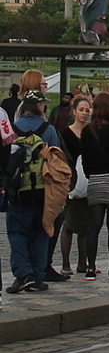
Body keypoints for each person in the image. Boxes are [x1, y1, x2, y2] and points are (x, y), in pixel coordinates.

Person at [5, 90, 62, 294]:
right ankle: (37, 277)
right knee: (41, 231)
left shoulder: (12, 129)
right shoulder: (49, 130)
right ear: (39, 107)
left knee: (17, 232)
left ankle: (23, 274)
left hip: (18, 190)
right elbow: (58, 160)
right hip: (43, 190)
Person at [81, 92, 109, 281]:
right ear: (108, 107)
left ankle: (90, 267)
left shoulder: (86, 131)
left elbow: (84, 161)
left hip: (94, 181)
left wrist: (91, 177)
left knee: (94, 226)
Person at [59, 96, 92, 276]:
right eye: (81, 109)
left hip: (87, 183)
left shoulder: (90, 133)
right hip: (70, 183)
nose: (84, 113)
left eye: (87, 110)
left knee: (85, 225)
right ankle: (65, 264)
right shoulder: (65, 134)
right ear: (74, 111)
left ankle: (82, 263)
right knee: (69, 223)